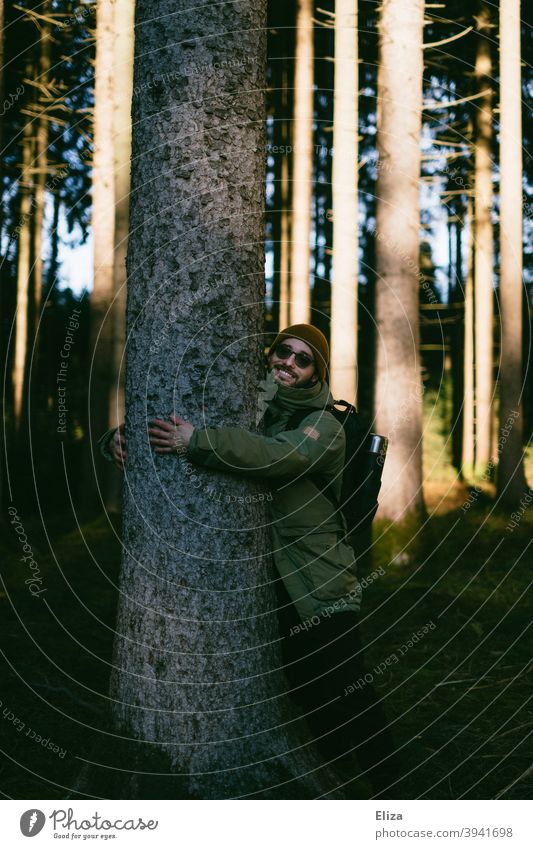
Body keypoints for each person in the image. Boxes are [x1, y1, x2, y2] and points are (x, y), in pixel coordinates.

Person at [100, 323, 399, 795]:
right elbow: (203, 416)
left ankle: (393, 788)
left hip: (321, 584)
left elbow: (275, 456)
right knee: (304, 692)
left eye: (304, 360)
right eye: (284, 352)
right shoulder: (257, 405)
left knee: (347, 691)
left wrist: (195, 442)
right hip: (279, 584)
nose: (289, 364)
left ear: (316, 374)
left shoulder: (326, 426)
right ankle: (341, 778)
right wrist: (122, 439)